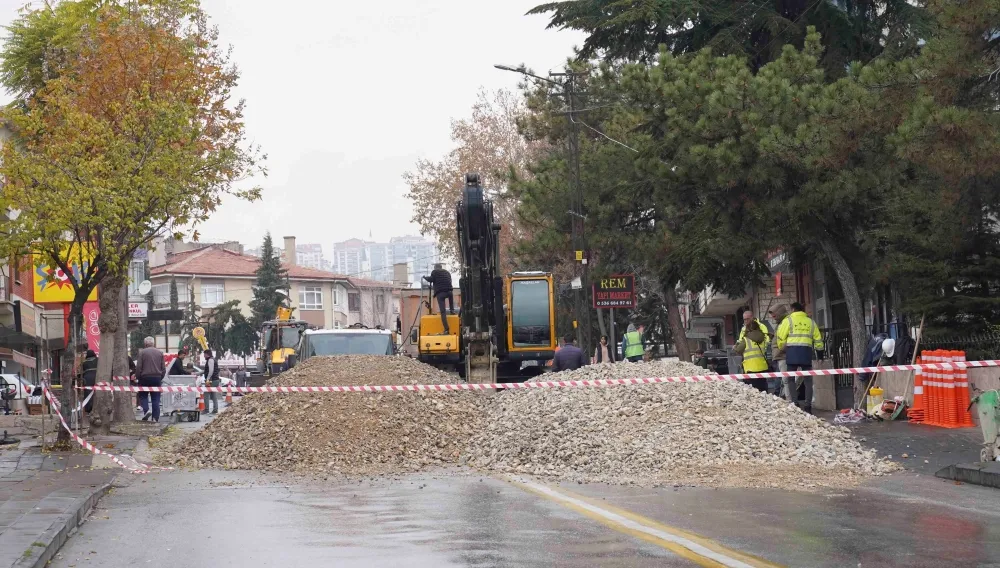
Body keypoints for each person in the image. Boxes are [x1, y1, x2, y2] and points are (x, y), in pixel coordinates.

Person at [775, 302, 824, 413]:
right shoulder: (811, 322)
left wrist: (781, 348)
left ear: (793, 309)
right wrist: (820, 355)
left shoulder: (788, 321)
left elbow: (780, 336)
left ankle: (795, 404)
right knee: (808, 381)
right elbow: (818, 340)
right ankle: (808, 406)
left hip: (792, 352)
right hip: (806, 353)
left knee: (791, 379)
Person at [136, 337, 165, 422]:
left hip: (144, 378)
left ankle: (146, 411)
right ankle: (155, 417)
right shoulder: (160, 353)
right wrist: (160, 377)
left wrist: (138, 377)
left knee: (143, 396)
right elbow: (163, 368)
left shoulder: (142, 353)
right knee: (156, 398)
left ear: (145, 344)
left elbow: (139, 367)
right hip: (157, 378)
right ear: (154, 343)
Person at [734, 320, 769, 392]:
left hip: (750, 368)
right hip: (762, 366)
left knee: (752, 390)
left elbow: (738, 350)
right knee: (763, 389)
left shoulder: (746, 339)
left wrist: (735, 347)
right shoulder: (763, 337)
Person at [422, 263, 454, 335]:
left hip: (441, 293)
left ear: (435, 267)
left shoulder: (435, 272)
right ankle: (452, 310)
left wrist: (425, 277)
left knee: (443, 312)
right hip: (449, 292)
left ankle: (446, 329)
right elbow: (450, 281)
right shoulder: (447, 272)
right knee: (450, 298)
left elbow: (431, 279)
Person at [203, 349, 221, 414]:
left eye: (204, 354)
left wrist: (207, 379)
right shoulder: (213, 359)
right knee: (213, 395)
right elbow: (207, 371)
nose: (204, 356)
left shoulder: (210, 360)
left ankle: (206, 409)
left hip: (211, 380)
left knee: (206, 394)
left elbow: (211, 371)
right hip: (215, 380)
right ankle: (215, 409)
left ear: (206, 354)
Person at [81, 349, 98, 414]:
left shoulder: (84, 362)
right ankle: (96, 408)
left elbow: (81, 372)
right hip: (96, 377)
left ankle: (89, 409)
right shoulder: (98, 360)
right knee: (96, 393)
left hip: (87, 379)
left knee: (88, 393)